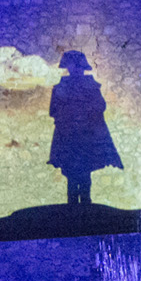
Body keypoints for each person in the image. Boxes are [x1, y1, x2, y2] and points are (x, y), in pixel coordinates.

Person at [47, 50, 123, 205]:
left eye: (76, 66)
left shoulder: (90, 85)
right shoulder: (61, 87)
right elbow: (53, 111)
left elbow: (100, 106)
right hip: (69, 136)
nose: (74, 69)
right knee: (73, 174)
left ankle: (85, 207)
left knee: (83, 173)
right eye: (71, 66)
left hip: (86, 135)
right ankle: (74, 207)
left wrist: (83, 111)